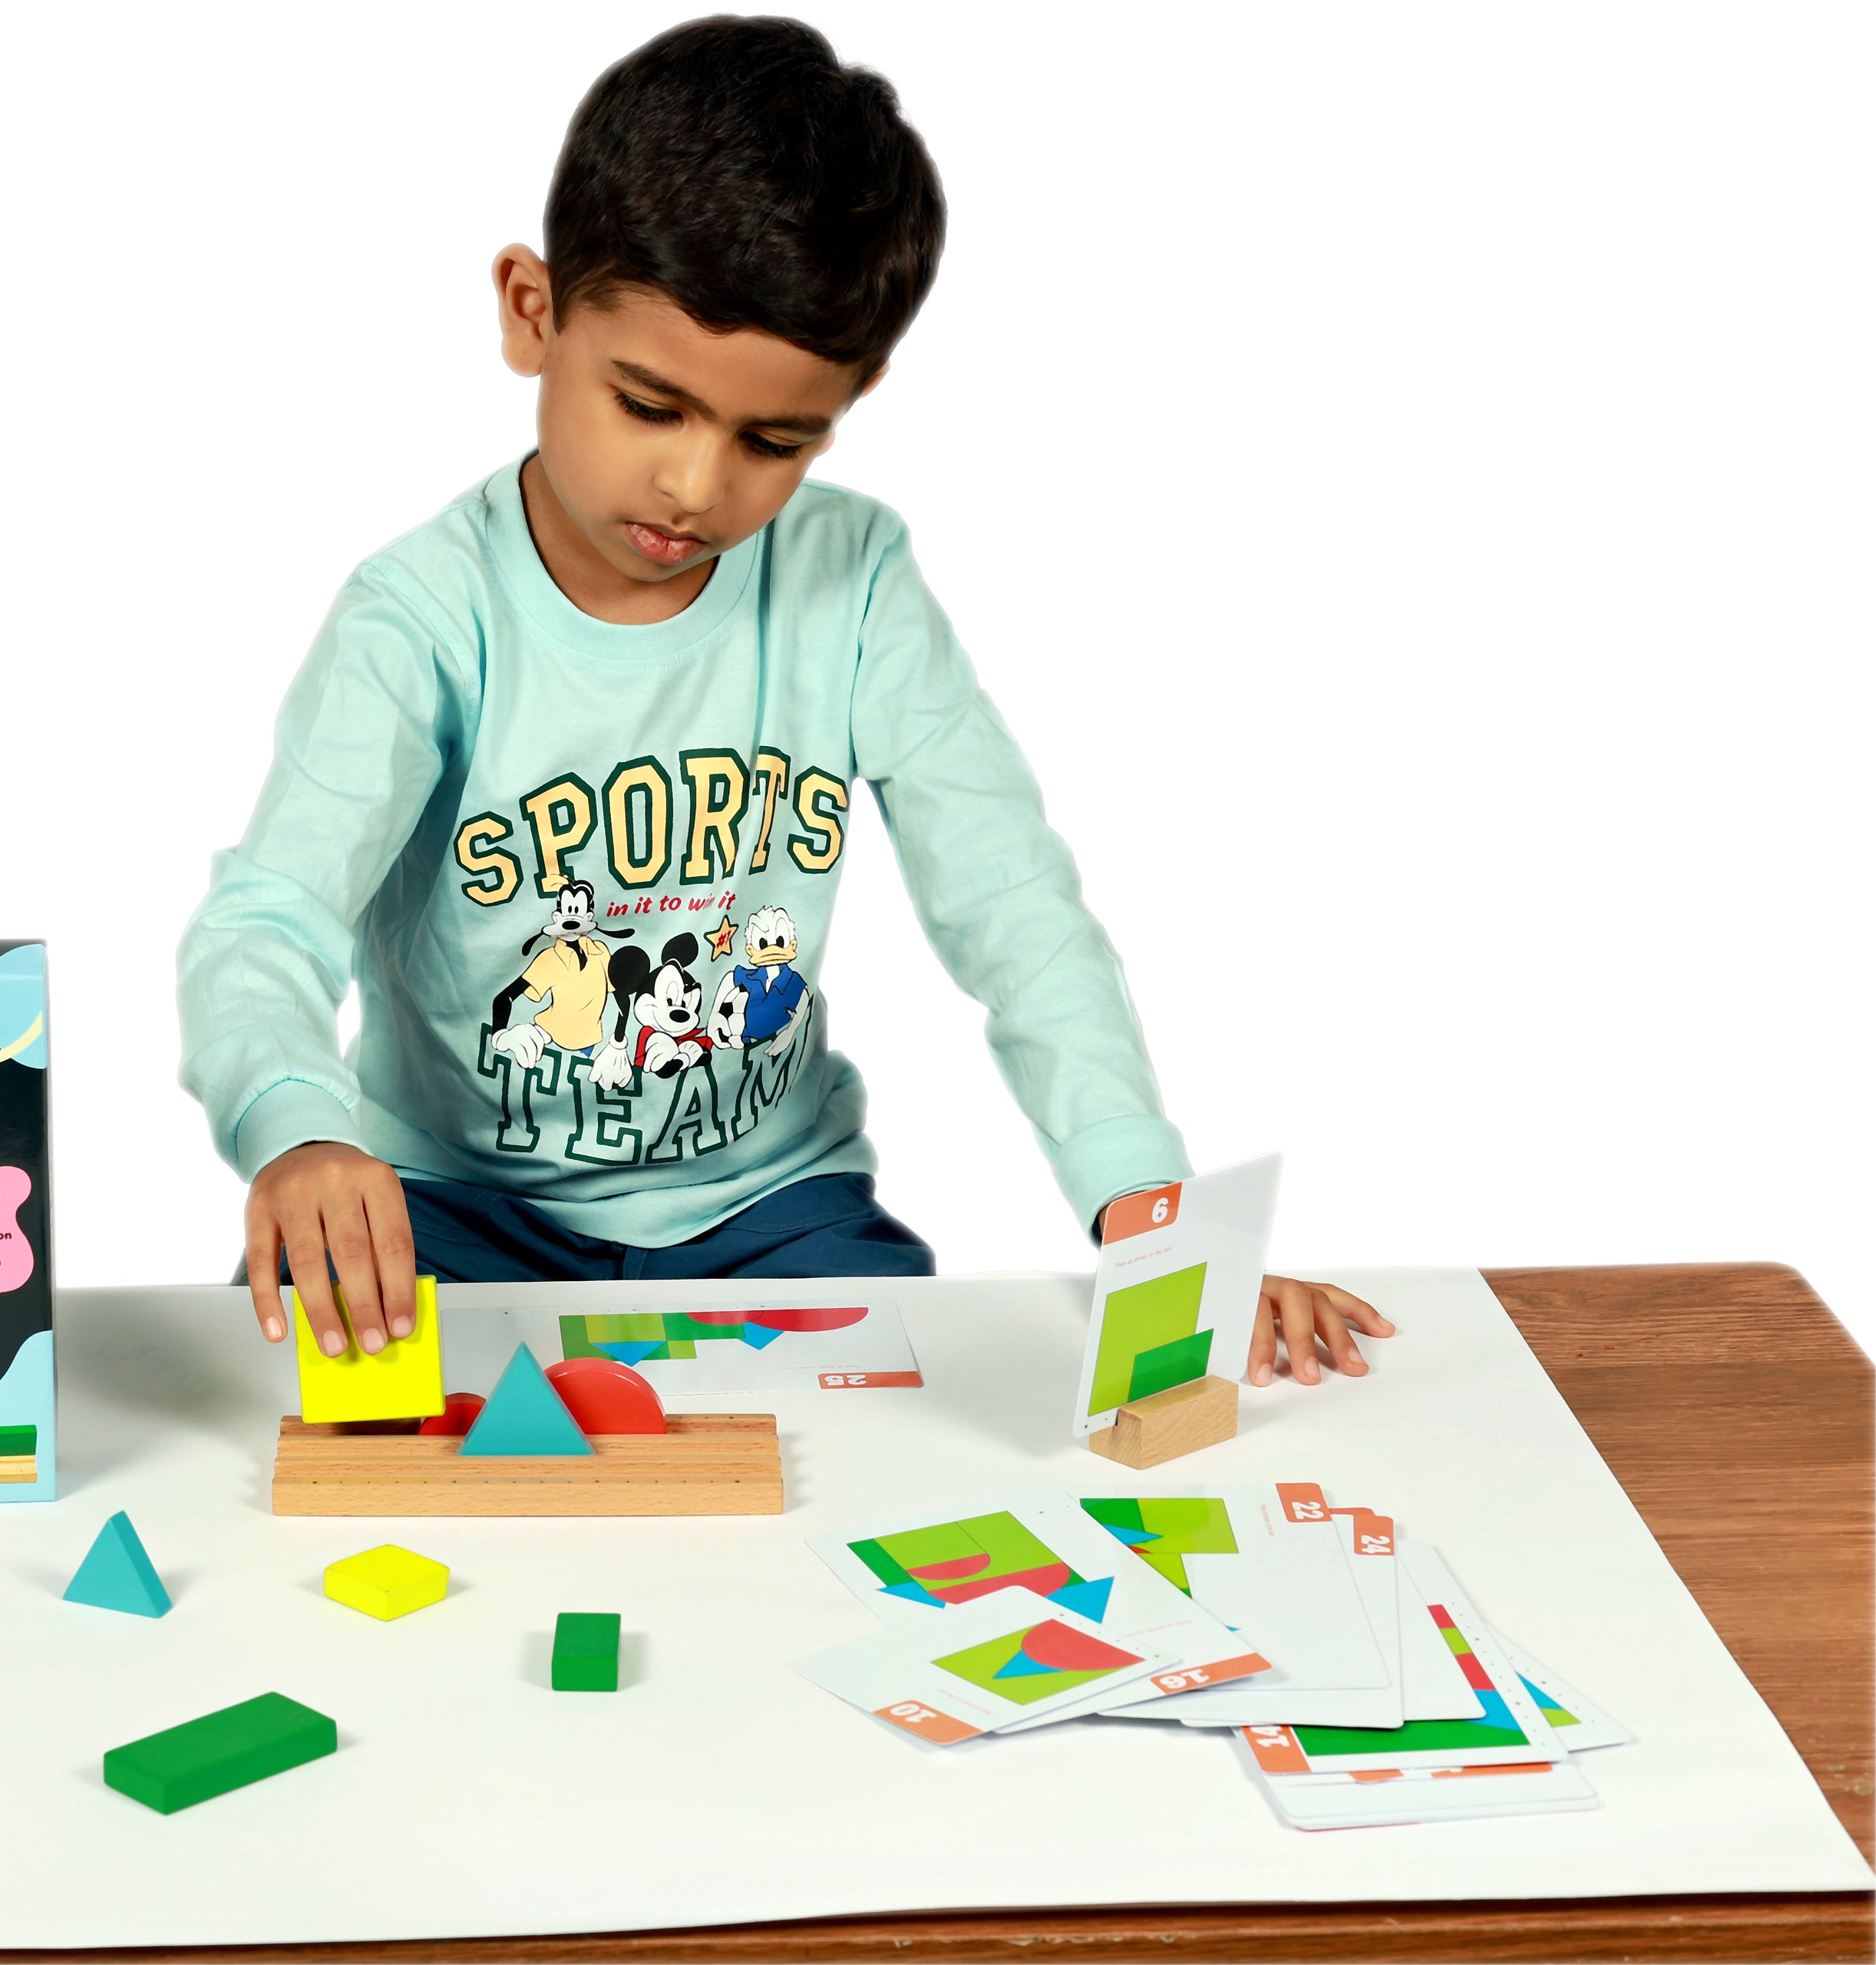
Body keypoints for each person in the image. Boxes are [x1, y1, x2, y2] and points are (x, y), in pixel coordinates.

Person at [173, 15, 1389, 1390]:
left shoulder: (854, 583)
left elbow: (1014, 908)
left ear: (850, 401)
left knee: (877, 1487)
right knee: (314, 1461)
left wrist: (1143, 1199)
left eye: (773, 441)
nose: (698, 487)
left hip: (771, 1215)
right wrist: (298, 1128)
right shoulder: (421, 618)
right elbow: (266, 920)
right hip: (450, 1211)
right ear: (533, 310)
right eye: (648, 405)